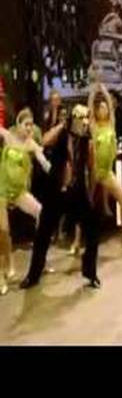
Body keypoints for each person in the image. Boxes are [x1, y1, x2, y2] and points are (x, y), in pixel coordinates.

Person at [20, 105, 101, 290]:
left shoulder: (86, 141)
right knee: (42, 234)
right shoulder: (61, 134)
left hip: (76, 191)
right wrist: (63, 125)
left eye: (86, 120)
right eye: (81, 120)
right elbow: (44, 141)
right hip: (55, 191)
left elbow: (92, 169)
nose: (84, 124)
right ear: (73, 120)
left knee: (92, 230)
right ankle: (33, 276)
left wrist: (90, 195)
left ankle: (90, 273)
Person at [0, 108, 52, 294]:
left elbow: (44, 163)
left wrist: (57, 174)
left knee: (42, 214)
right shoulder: (8, 136)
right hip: (2, 190)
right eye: (26, 124)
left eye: (31, 124)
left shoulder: (31, 144)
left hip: (19, 192)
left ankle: (41, 260)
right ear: (18, 125)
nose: (29, 128)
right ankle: (4, 272)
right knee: (3, 230)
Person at [88, 79, 122, 254]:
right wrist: (95, 90)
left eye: (106, 107)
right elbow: (90, 105)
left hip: (106, 171)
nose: (104, 109)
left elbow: (109, 103)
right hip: (93, 171)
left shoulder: (111, 124)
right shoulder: (94, 126)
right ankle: (77, 240)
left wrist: (104, 89)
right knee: (86, 205)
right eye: (100, 107)